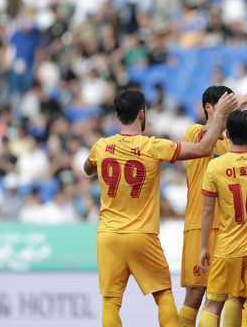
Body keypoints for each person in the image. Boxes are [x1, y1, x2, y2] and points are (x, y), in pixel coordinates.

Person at [83, 89, 237, 327]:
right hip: (142, 234)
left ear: (117, 116)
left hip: (108, 235)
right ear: (142, 115)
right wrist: (221, 115)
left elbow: (87, 168)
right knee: (163, 295)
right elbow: (205, 148)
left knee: (111, 303)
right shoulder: (153, 146)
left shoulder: (101, 147)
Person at [179, 85, 247, 327]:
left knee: (229, 295)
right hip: (199, 225)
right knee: (195, 296)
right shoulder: (194, 132)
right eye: (225, 105)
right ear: (208, 107)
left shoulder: (230, 143)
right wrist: (241, 102)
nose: (230, 110)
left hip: (229, 230)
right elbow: (208, 135)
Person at [198, 110, 247, 327]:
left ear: (227, 134)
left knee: (213, 305)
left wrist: (204, 246)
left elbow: (207, 210)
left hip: (227, 247)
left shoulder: (216, 165)